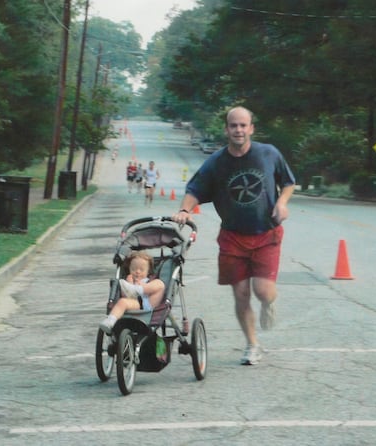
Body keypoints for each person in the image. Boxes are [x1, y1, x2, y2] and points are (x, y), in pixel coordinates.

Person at [172, 106, 295, 365]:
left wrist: (282, 202)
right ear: (226, 129)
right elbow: (194, 188)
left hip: (266, 234)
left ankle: (269, 302)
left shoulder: (268, 153)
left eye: (243, 125)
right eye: (233, 125)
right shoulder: (216, 162)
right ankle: (252, 345)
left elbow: (288, 182)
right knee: (240, 293)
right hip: (233, 236)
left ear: (251, 128)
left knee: (263, 291)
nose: (238, 130)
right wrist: (184, 209)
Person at [99, 251, 165, 334]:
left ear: (148, 271)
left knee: (160, 283)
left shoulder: (149, 281)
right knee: (122, 301)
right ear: (129, 269)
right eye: (134, 269)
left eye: (142, 269)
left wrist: (141, 285)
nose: (137, 271)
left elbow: (154, 288)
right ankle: (110, 320)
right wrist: (130, 283)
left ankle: (137, 289)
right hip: (136, 304)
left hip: (148, 305)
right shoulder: (128, 281)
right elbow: (124, 296)